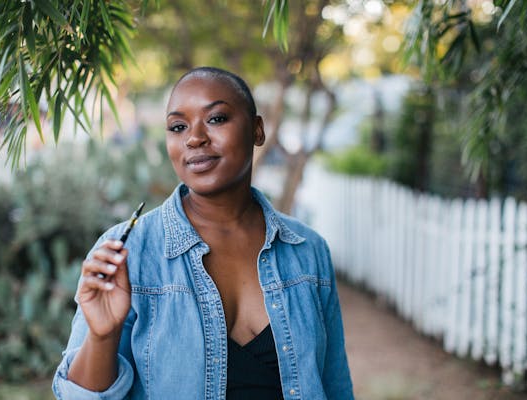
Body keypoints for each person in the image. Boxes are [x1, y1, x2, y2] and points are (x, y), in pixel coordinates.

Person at [52, 66, 354, 400]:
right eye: (178, 126)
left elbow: (335, 385)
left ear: (256, 130)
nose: (194, 138)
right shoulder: (128, 252)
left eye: (216, 119)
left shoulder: (307, 251)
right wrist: (102, 335)